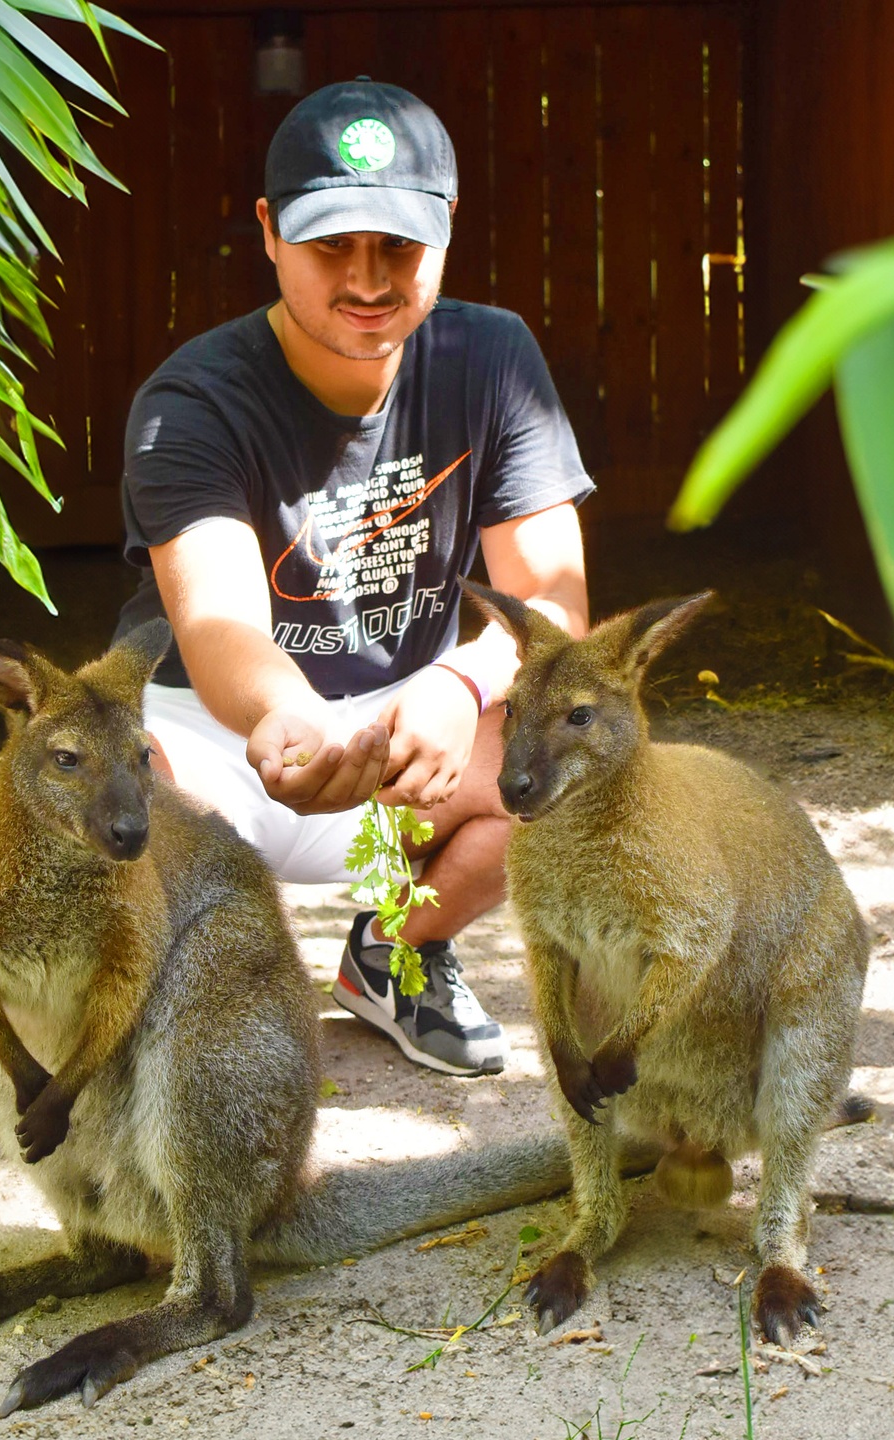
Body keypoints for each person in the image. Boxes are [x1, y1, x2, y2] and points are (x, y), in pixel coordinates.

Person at [112, 78, 593, 1078]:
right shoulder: (191, 398)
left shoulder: (492, 357)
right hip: (222, 738)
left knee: (587, 733)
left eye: (400, 248)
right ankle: (167, 1001)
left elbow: (553, 606)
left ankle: (393, 955)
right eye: (331, 245)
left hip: (412, 727)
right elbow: (220, 630)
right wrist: (294, 720)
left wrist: (461, 688)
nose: (369, 282)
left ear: (448, 230)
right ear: (268, 232)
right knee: (105, 793)